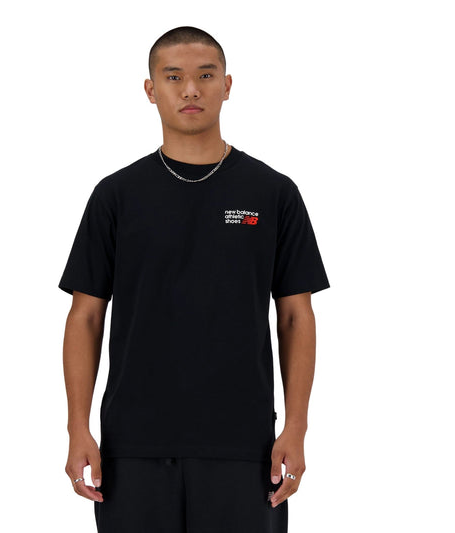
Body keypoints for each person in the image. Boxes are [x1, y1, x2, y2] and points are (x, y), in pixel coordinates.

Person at [58, 25, 330, 533]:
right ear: (150, 89)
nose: (190, 90)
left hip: (246, 448)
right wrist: (78, 427)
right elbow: (85, 316)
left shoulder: (273, 193)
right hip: (133, 447)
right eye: (173, 77)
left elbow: (296, 315)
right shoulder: (116, 196)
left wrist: (296, 426)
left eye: (205, 76)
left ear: (227, 86)